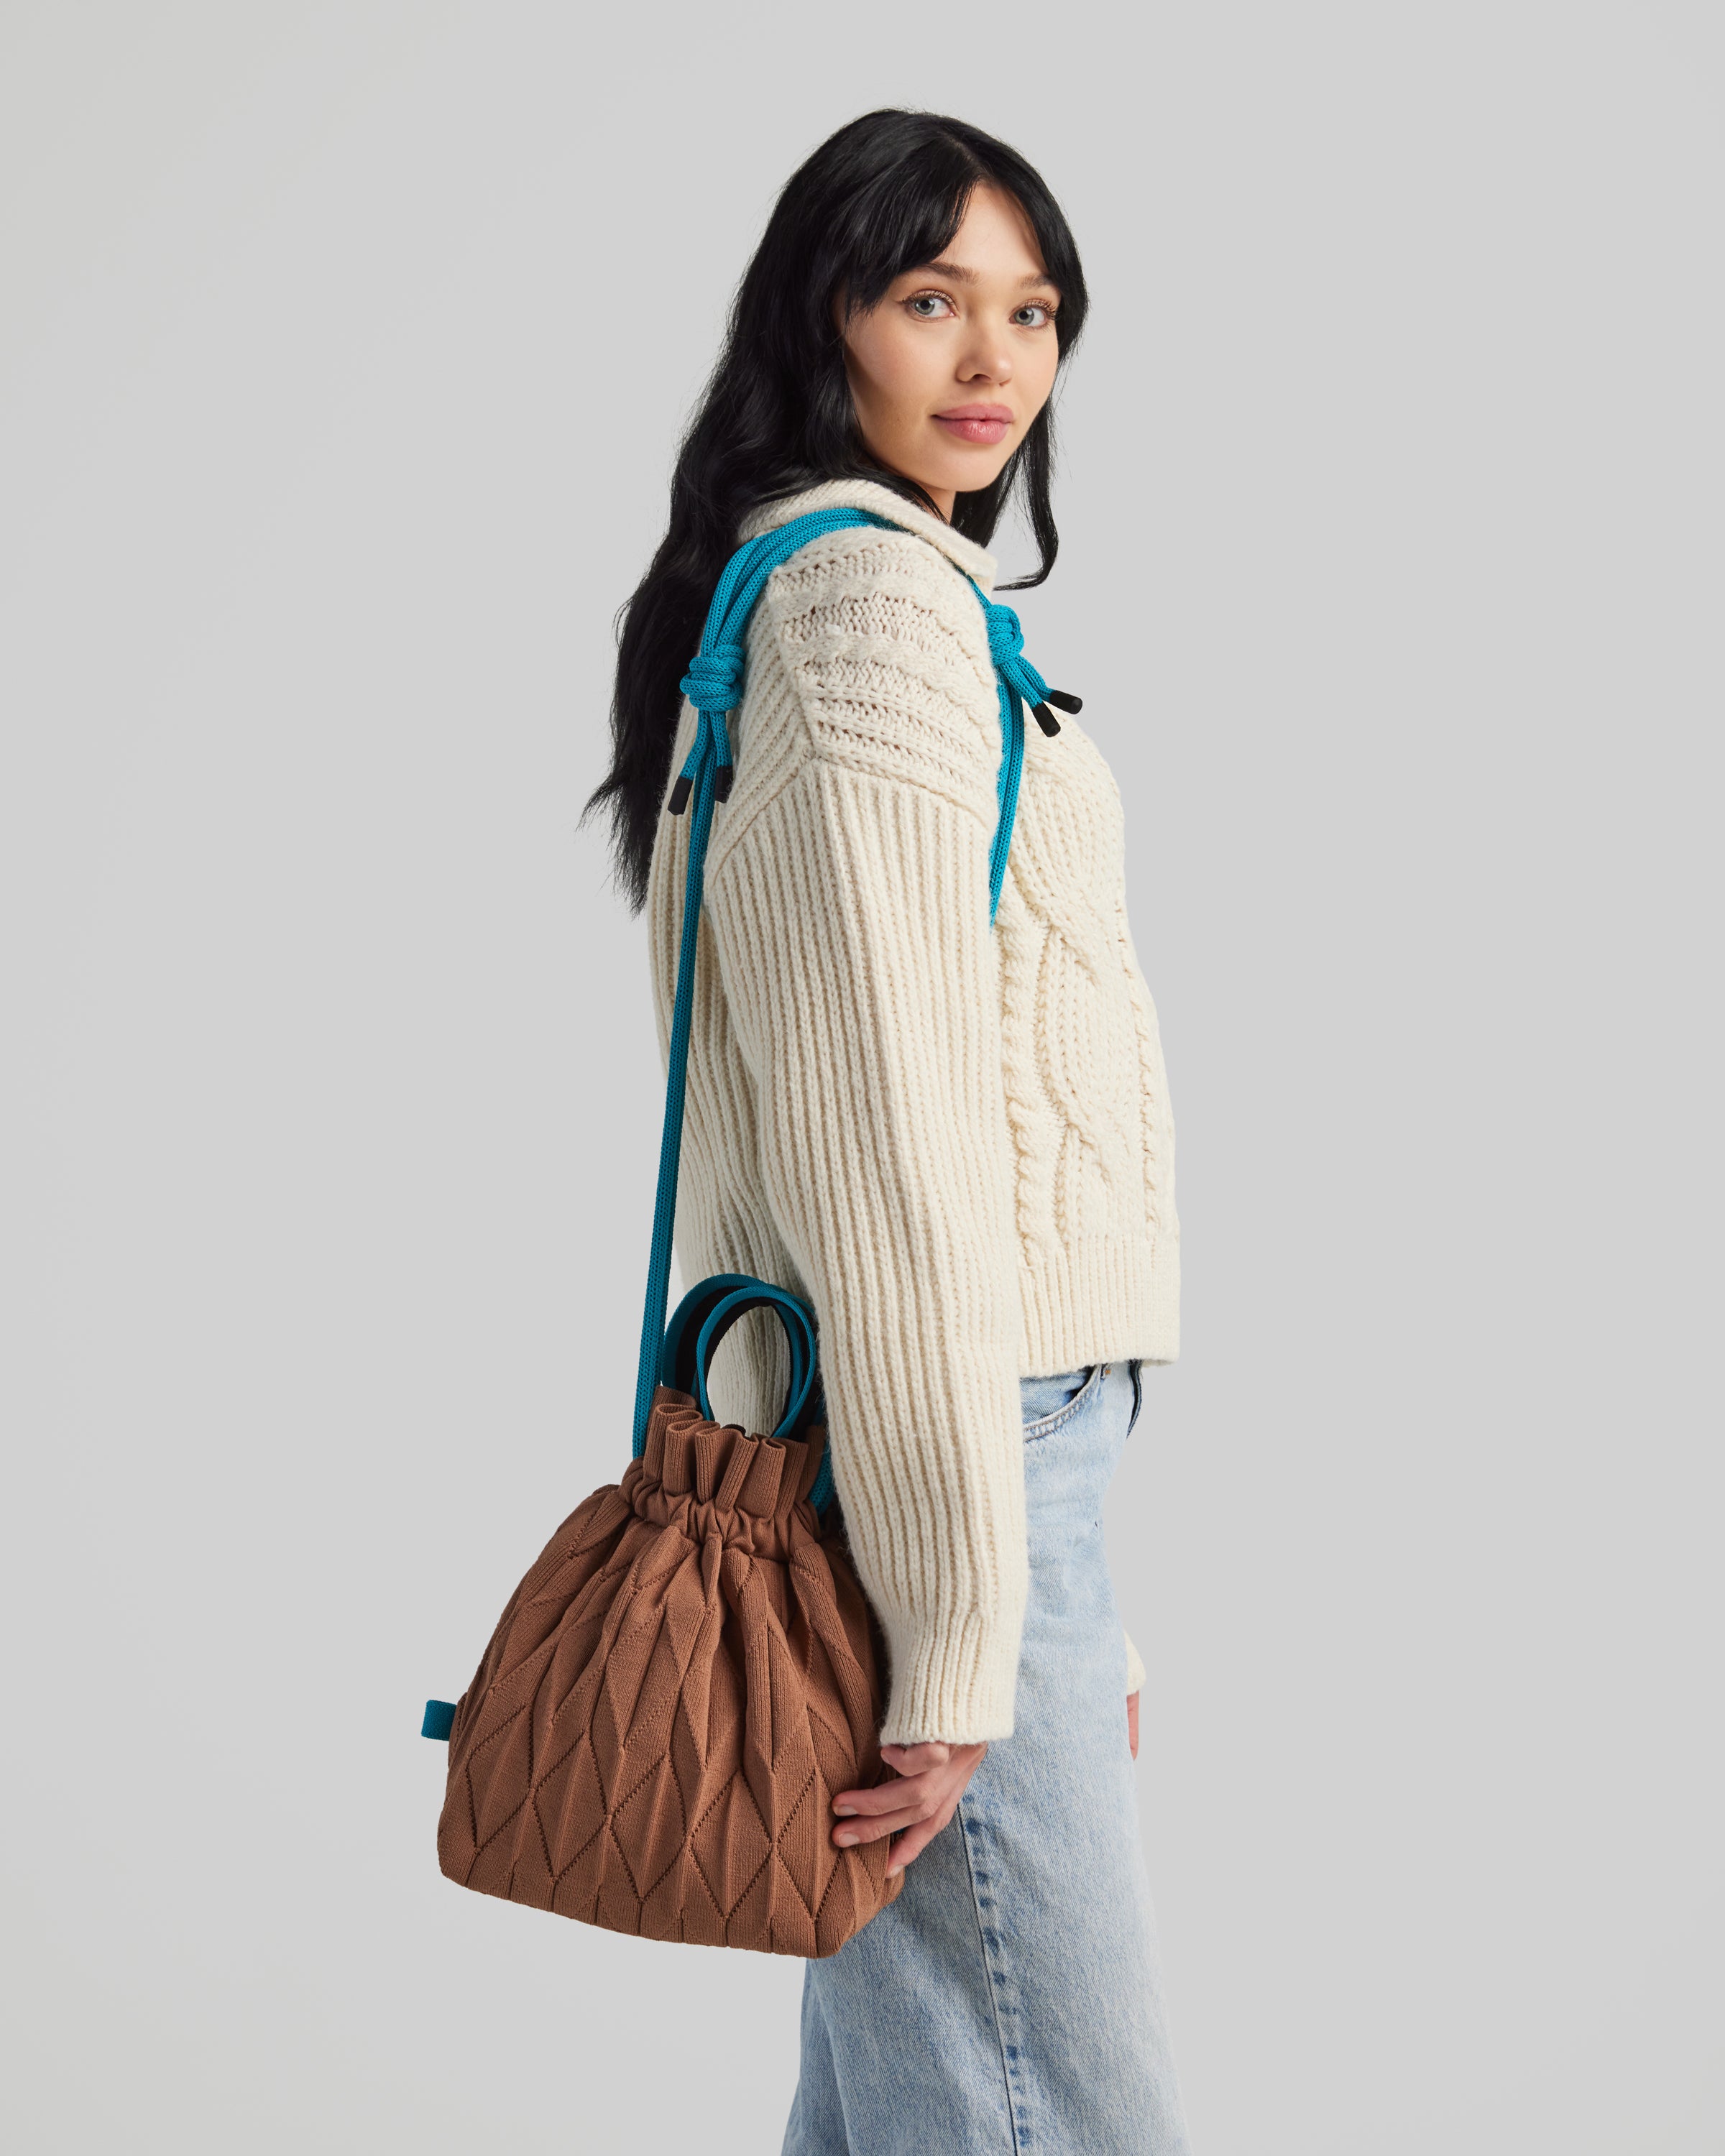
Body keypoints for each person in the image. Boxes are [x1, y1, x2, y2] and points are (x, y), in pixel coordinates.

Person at [584, 109, 1192, 2156]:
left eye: (1035, 309)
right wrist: (961, 1627)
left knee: (908, 2108)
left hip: (985, 1461)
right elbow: (897, 1164)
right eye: (933, 299)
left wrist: (1045, 1584)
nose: (996, 357)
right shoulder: (872, 616)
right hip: (956, 1447)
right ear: (823, 316)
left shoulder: (857, 594)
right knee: (1062, 2119)